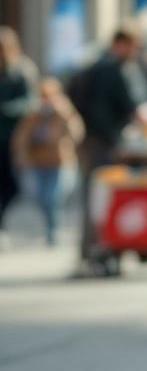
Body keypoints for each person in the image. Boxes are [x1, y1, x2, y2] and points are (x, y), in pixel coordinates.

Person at [72, 27, 147, 273]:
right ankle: (97, 250)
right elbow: (119, 106)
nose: (135, 52)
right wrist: (115, 138)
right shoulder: (111, 69)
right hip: (103, 144)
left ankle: (95, 250)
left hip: (97, 141)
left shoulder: (101, 67)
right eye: (133, 46)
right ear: (122, 44)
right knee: (101, 198)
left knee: (97, 196)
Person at [12, 78, 84, 247]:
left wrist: (63, 115)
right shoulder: (33, 114)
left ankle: (52, 231)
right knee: (39, 197)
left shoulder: (64, 112)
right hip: (37, 162)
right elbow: (21, 136)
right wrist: (21, 155)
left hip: (60, 162)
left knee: (53, 198)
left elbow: (76, 133)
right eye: (43, 96)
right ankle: (50, 227)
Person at [0, 27, 38, 243]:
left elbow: (28, 102)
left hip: (14, 138)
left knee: (12, 185)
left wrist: (5, 109)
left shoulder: (22, 71)